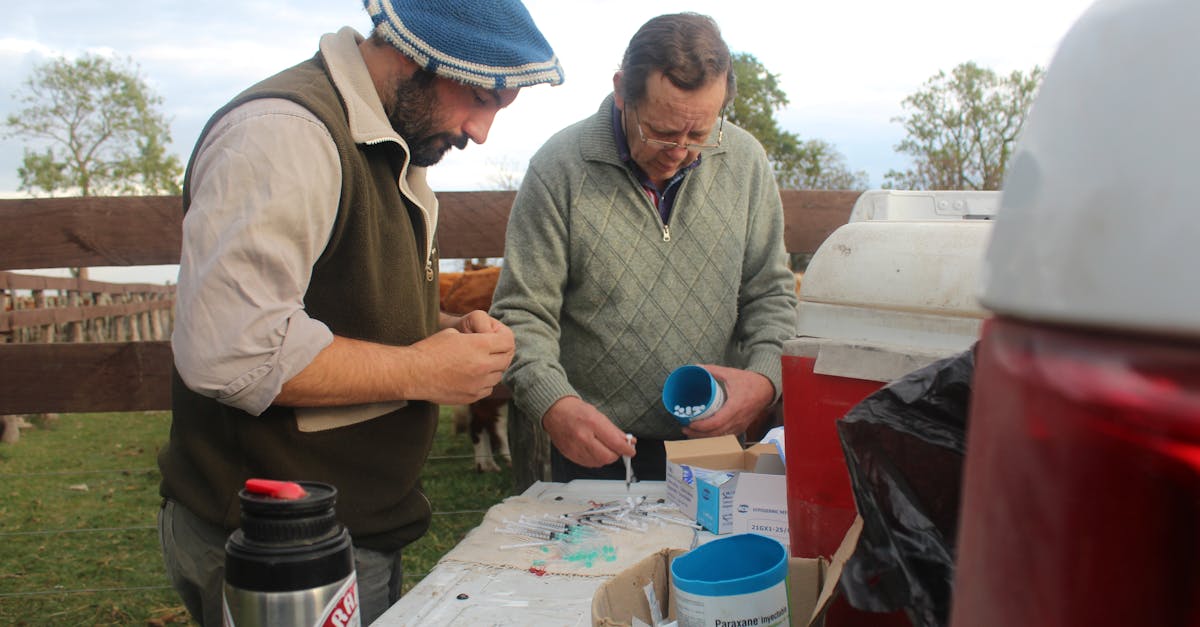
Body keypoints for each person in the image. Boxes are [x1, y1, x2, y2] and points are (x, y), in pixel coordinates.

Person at [156, 1, 562, 624]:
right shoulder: (284, 134)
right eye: (479, 97)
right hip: (277, 550)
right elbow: (233, 352)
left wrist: (447, 337)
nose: (480, 130)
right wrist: (419, 371)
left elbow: (350, 312)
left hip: (346, 527)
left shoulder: (388, 142)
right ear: (419, 52)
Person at [490, 12, 798, 490]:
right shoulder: (559, 168)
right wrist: (554, 404)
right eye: (661, 130)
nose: (680, 150)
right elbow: (521, 313)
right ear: (621, 91)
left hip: (715, 443)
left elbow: (772, 295)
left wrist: (762, 381)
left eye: (699, 134)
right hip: (595, 444)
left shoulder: (746, 161)